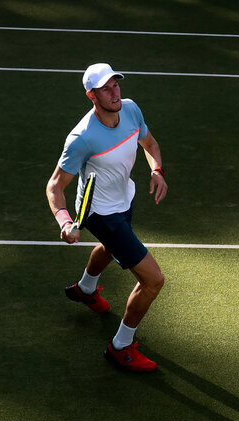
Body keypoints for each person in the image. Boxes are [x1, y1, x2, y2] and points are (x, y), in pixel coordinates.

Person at [46, 63, 168, 372]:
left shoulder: (130, 110)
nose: (114, 92)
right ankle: (121, 346)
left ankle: (85, 289)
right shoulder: (81, 138)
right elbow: (54, 186)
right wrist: (64, 221)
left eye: (115, 84)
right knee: (153, 281)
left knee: (112, 249)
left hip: (124, 198)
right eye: (105, 88)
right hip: (100, 213)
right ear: (92, 96)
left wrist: (157, 170)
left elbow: (150, 144)